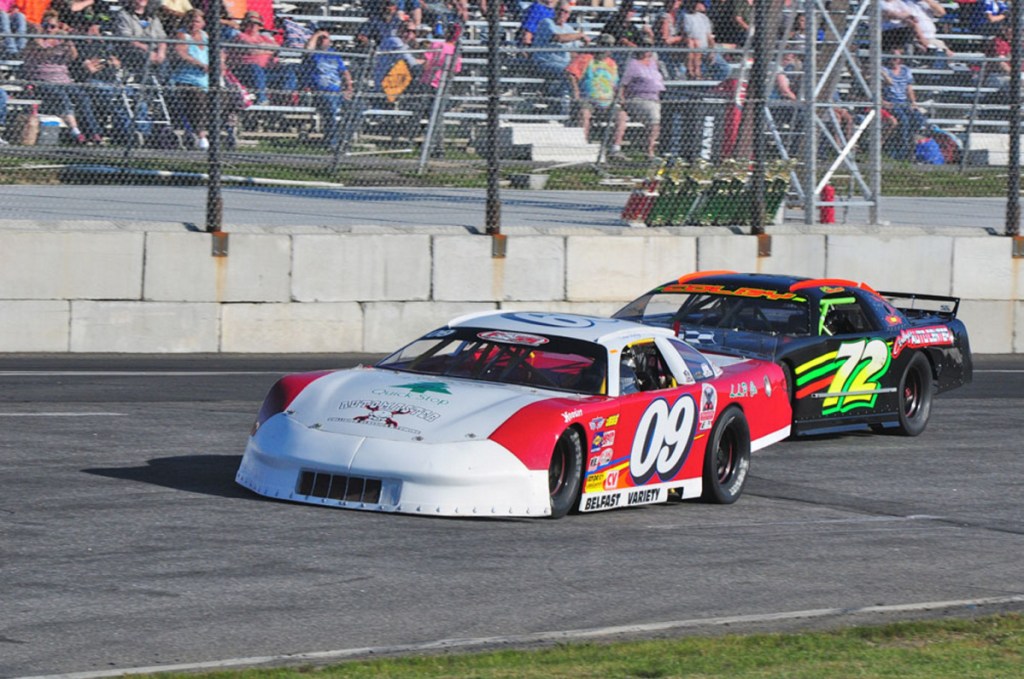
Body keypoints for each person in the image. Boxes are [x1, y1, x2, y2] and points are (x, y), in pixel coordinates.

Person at [21, 9, 103, 143]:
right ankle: (76, 132)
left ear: (57, 27)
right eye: (45, 26)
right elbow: (42, 53)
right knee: (62, 97)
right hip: (42, 81)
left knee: (83, 97)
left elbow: (73, 57)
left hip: (64, 80)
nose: (48, 29)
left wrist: (70, 44)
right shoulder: (35, 41)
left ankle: (93, 132)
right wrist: (56, 48)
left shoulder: (61, 40)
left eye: (52, 26)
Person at [72, 14, 133, 144]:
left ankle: (135, 134)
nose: (96, 31)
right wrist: (103, 63)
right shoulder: (81, 45)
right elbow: (90, 69)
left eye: (97, 28)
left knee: (134, 99)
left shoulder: (107, 45)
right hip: (91, 82)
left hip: (112, 82)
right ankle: (122, 135)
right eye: (92, 28)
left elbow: (117, 64)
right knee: (112, 99)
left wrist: (107, 62)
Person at [532, 0, 589, 116]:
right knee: (570, 73)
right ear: (555, 11)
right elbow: (558, 38)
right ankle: (575, 103)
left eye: (566, 12)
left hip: (564, 65)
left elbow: (574, 52)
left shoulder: (569, 29)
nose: (563, 14)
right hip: (546, 62)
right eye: (561, 11)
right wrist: (580, 35)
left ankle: (581, 106)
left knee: (584, 72)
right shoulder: (547, 23)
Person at [611, 36, 664, 160]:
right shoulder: (632, 65)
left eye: (649, 47)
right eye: (644, 47)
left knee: (657, 113)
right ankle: (649, 151)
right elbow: (623, 84)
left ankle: (651, 149)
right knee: (654, 116)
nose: (647, 50)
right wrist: (622, 99)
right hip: (638, 99)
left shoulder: (653, 63)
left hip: (655, 98)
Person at [303, 29, 354, 150]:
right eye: (321, 38)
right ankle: (333, 143)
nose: (324, 40)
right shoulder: (313, 53)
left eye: (326, 38)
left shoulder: (334, 54)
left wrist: (349, 88)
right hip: (321, 92)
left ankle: (345, 140)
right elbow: (307, 49)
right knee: (331, 107)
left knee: (358, 107)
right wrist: (317, 34)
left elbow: (345, 72)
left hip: (338, 91)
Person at [168, 7, 210, 148]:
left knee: (227, 97)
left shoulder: (205, 36)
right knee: (198, 98)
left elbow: (218, 53)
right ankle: (201, 136)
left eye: (197, 21)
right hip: (186, 79)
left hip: (206, 80)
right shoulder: (182, 36)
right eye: (191, 21)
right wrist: (200, 64)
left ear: (202, 23)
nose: (194, 24)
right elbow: (182, 54)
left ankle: (224, 130)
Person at [566, 32, 618, 140]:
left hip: (607, 100)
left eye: (608, 46)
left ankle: (615, 147)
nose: (605, 48)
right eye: (603, 44)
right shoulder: (586, 58)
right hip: (588, 99)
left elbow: (615, 83)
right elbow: (570, 73)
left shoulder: (612, 63)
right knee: (584, 113)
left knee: (621, 115)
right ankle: (582, 142)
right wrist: (576, 92)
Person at [881, 49, 926, 161]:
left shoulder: (905, 70)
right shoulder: (884, 70)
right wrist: (883, 101)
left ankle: (910, 142)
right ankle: (902, 149)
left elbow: (909, 89)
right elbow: (880, 87)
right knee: (903, 120)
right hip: (891, 101)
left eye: (897, 57)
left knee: (918, 118)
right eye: (892, 57)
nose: (894, 60)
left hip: (904, 102)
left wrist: (913, 103)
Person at [228, 10, 279, 105]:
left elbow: (277, 47)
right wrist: (268, 49)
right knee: (255, 68)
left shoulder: (264, 37)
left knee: (287, 71)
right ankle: (262, 99)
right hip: (245, 70)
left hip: (267, 68)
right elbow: (250, 49)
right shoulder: (240, 36)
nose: (253, 26)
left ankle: (284, 101)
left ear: (260, 26)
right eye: (250, 23)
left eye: (256, 24)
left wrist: (259, 48)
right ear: (245, 24)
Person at [114, 0, 168, 80]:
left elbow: (162, 37)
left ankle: (162, 84)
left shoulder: (152, 17)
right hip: (134, 50)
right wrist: (148, 50)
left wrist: (161, 52)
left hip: (154, 50)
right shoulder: (124, 14)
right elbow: (127, 38)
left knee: (166, 57)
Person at [682, 0, 729, 81]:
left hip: (707, 48)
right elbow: (689, 38)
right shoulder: (686, 17)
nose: (703, 5)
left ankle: (712, 85)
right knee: (698, 72)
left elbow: (709, 36)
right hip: (696, 50)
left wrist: (712, 51)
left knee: (725, 68)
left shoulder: (703, 17)